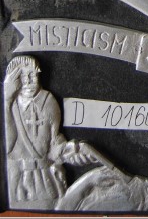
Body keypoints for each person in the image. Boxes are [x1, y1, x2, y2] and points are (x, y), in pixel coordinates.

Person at [4, 56, 98, 209]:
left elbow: (54, 143)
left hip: (44, 180)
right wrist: (7, 100)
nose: (30, 82)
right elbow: (7, 146)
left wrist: (71, 151)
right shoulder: (10, 106)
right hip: (17, 182)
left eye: (34, 75)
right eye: (24, 76)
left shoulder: (48, 101)